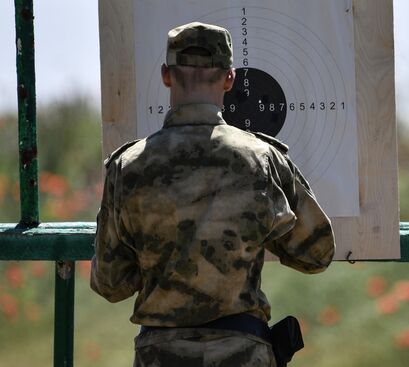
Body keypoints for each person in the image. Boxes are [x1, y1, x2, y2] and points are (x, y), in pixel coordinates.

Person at [90, 21, 335, 367]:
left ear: (166, 75)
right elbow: (317, 253)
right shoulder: (261, 160)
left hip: (159, 355)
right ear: (230, 78)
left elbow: (110, 284)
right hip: (242, 352)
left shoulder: (127, 167)